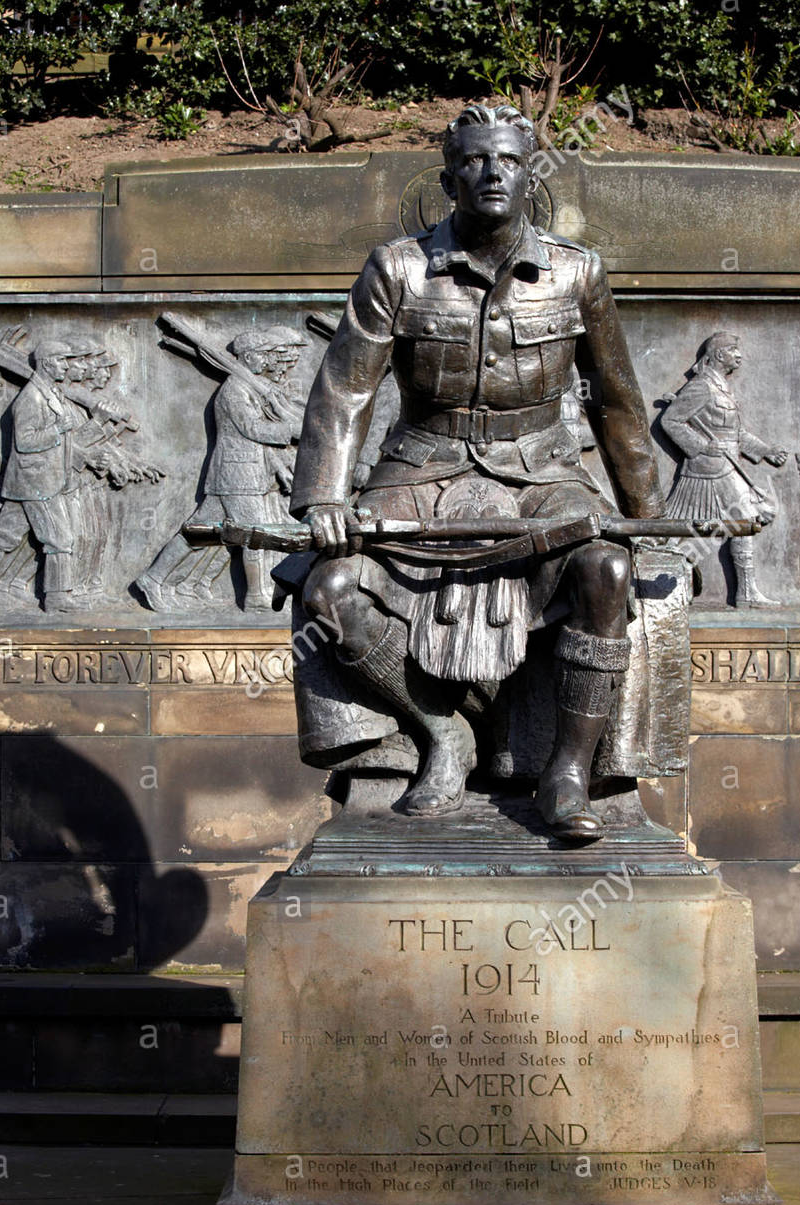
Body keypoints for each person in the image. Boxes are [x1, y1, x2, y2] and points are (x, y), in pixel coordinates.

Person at [290, 103, 664, 841]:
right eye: (473, 160)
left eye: (509, 161)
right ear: (448, 176)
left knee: (605, 575)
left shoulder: (575, 273)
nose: (492, 173)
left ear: (531, 175)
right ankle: (438, 732)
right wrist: (325, 499)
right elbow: (345, 391)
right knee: (330, 589)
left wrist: (644, 515)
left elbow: (616, 403)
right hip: (418, 473)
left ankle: (564, 772)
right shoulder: (395, 268)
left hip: (541, 473)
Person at [136, 326, 304, 612]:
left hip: (247, 474)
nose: (268, 362)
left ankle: (153, 579)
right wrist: (291, 430)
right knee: (254, 532)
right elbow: (251, 429)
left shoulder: (251, 389)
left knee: (201, 532)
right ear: (248, 357)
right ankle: (255, 597)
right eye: (264, 356)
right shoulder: (234, 391)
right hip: (236, 474)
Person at [661, 333, 787, 607]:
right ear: (718, 355)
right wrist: (703, 446)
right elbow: (671, 420)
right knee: (688, 530)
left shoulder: (722, 388)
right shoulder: (702, 386)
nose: (739, 355)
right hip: (708, 470)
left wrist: (765, 451)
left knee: (738, 522)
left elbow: (735, 432)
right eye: (733, 350)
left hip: (727, 467)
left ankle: (745, 592)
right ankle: (662, 586)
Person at [0, 338, 81, 613]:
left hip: (41, 481)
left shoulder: (49, 393)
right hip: (36, 483)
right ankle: (57, 597)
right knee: (59, 538)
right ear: (46, 364)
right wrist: (58, 430)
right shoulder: (31, 398)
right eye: (61, 361)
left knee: (3, 535)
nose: (66, 367)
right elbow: (24, 441)